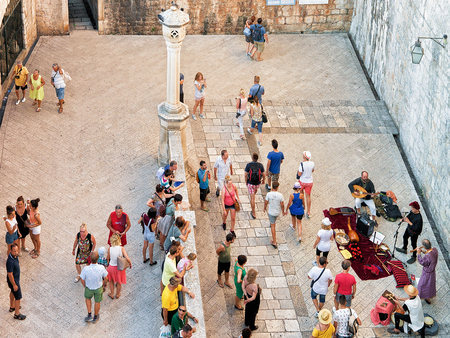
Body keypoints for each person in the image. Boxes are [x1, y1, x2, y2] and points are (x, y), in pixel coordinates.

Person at [80, 251, 108, 324]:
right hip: (98, 287)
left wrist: (84, 285)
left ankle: (89, 314)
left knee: (88, 299)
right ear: (97, 259)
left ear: (90, 259)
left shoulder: (86, 269)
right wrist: (105, 284)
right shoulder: (101, 268)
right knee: (97, 301)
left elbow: (82, 279)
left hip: (89, 287)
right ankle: (95, 316)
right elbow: (106, 277)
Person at [106, 234, 132, 299]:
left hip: (111, 267)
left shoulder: (110, 248)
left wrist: (108, 263)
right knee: (119, 282)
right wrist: (130, 263)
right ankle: (117, 294)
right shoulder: (121, 248)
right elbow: (127, 257)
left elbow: (107, 258)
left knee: (111, 281)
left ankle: (112, 294)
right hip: (119, 268)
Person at [6, 244, 26, 320]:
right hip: (13, 281)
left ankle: (12, 306)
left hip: (14, 280)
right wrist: (14, 284)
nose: (16, 252)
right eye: (14, 251)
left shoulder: (14, 256)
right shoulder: (10, 261)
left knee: (12, 292)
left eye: (17, 250)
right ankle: (17, 314)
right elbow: (10, 274)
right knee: (18, 297)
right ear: (10, 251)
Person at [415, 239, 438, 304]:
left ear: (424, 247)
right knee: (430, 285)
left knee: (421, 285)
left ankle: (419, 297)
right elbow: (430, 255)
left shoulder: (427, 256)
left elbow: (422, 262)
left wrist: (419, 253)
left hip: (427, 273)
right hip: (432, 271)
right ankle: (428, 298)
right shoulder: (434, 249)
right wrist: (422, 251)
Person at [245, 153, 265, 219]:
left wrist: (246, 182)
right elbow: (264, 174)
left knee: (252, 199)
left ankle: (254, 213)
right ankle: (253, 193)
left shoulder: (248, 165)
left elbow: (245, 175)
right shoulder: (260, 165)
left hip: (251, 183)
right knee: (254, 191)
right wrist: (263, 180)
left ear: (252, 158)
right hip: (257, 183)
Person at [264, 182, 284, 249]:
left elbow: (266, 202)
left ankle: (274, 241)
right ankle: (272, 223)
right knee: (273, 220)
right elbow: (282, 205)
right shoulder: (280, 195)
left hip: (271, 212)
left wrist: (264, 208)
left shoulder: (268, 194)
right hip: (277, 212)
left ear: (272, 186)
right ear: (277, 187)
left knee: (273, 226)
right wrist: (283, 211)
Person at [297, 151, 315, 218]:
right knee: (308, 196)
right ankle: (308, 211)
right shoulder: (312, 163)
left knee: (301, 194)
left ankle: (303, 206)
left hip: (302, 181)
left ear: (304, 157)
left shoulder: (302, 164)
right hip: (309, 182)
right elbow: (312, 171)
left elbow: (299, 174)